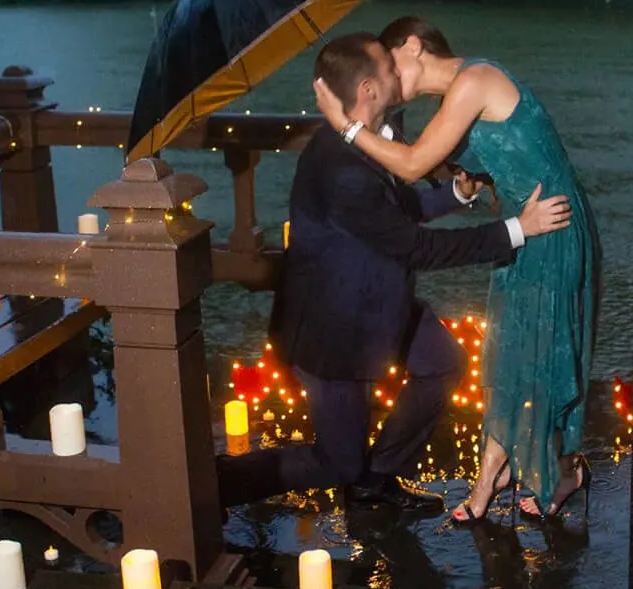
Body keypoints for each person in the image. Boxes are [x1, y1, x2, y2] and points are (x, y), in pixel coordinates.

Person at [215, 32, 571, 516]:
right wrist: (517, 229)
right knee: (337, 462)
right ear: (367, 89)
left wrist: (456, 195)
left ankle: (379, 476)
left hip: (380, 302)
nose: (397, 71)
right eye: (388, 66)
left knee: (444, 365)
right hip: (335, 331)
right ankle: (214, 485)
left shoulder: (368, 141)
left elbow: (397, 208)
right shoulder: (341, 168)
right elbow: (417, 247)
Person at [312, 16, 600, 522]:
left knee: (543, 355)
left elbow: (410, 164)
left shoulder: (474, 81)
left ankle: (567, 471)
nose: (383, 76)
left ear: (413, 46)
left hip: (551, 228)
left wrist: (345, 126)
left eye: (387, 61)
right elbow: (448, 163)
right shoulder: (456, 100)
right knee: (509, 352)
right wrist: (473, 182)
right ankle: (494, 473)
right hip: (526, 228)